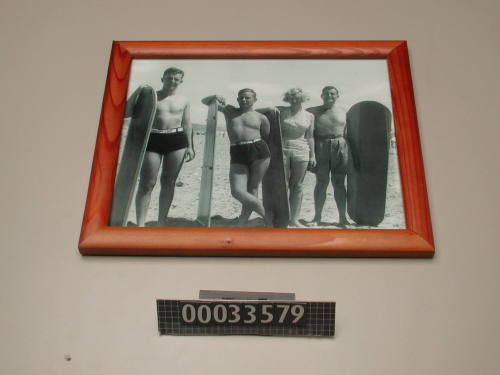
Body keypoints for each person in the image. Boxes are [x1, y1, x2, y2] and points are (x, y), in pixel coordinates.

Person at [124, 67, 195, 227]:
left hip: (177, 140)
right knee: (147, 183)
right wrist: (138, 90)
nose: (172, 81)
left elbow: (187, 123)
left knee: (169, 182)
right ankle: (141, 224)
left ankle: (161, 222)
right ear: (163, 79)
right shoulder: (151, 97)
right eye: (169, 78)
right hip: (153, 138)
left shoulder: (184, 100)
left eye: (176, 79)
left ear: (181, 81)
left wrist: (190, 146)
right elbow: (126, 112)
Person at [202, 89, 270, 226]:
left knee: (253, 188)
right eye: (241, 98)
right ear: (237, 100)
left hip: (259, 150)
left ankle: (243, 220)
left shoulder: (261, 117)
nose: (244, 100)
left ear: (255, 99)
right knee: (237, 191)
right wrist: (214, 95)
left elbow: (266, 135)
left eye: (247, 98)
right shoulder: (229, 110)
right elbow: (205, 102)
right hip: (237, 150)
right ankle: (267, 215)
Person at [258, 88, 316, 227]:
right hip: (281, 149)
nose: (294, 100)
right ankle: (280, 217)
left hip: (302, 150)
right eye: (291, 97)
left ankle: (294, 219)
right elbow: (256, 112)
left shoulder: (310, 116)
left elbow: (310, 136)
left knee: (297, 186)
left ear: (303, 98)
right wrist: (269, 107)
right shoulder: (280, 111)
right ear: (287, 99)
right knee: (280, 185)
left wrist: (313, 155)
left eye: (297, 97)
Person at [307, 86, 349, 227]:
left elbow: (349, 133)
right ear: (321, 95)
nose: (329, 96)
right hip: (321, 146)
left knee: (339, 183)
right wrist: (311, 154)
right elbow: (307, 133)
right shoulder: (313, 111)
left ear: (337, 96)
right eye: (326, 94)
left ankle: (343, 218)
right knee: (321, 183)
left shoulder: (344, 111)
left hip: (340, 146)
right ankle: (317, 217)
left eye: (332, 93)